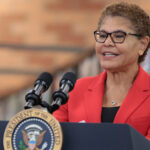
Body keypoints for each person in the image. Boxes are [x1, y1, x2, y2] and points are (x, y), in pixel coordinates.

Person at [53, 2, 150, 140]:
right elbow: (54, 139)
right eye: (102, 35)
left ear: (143, 44)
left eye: (118, 36)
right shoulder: (74, 90)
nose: (107, 43)